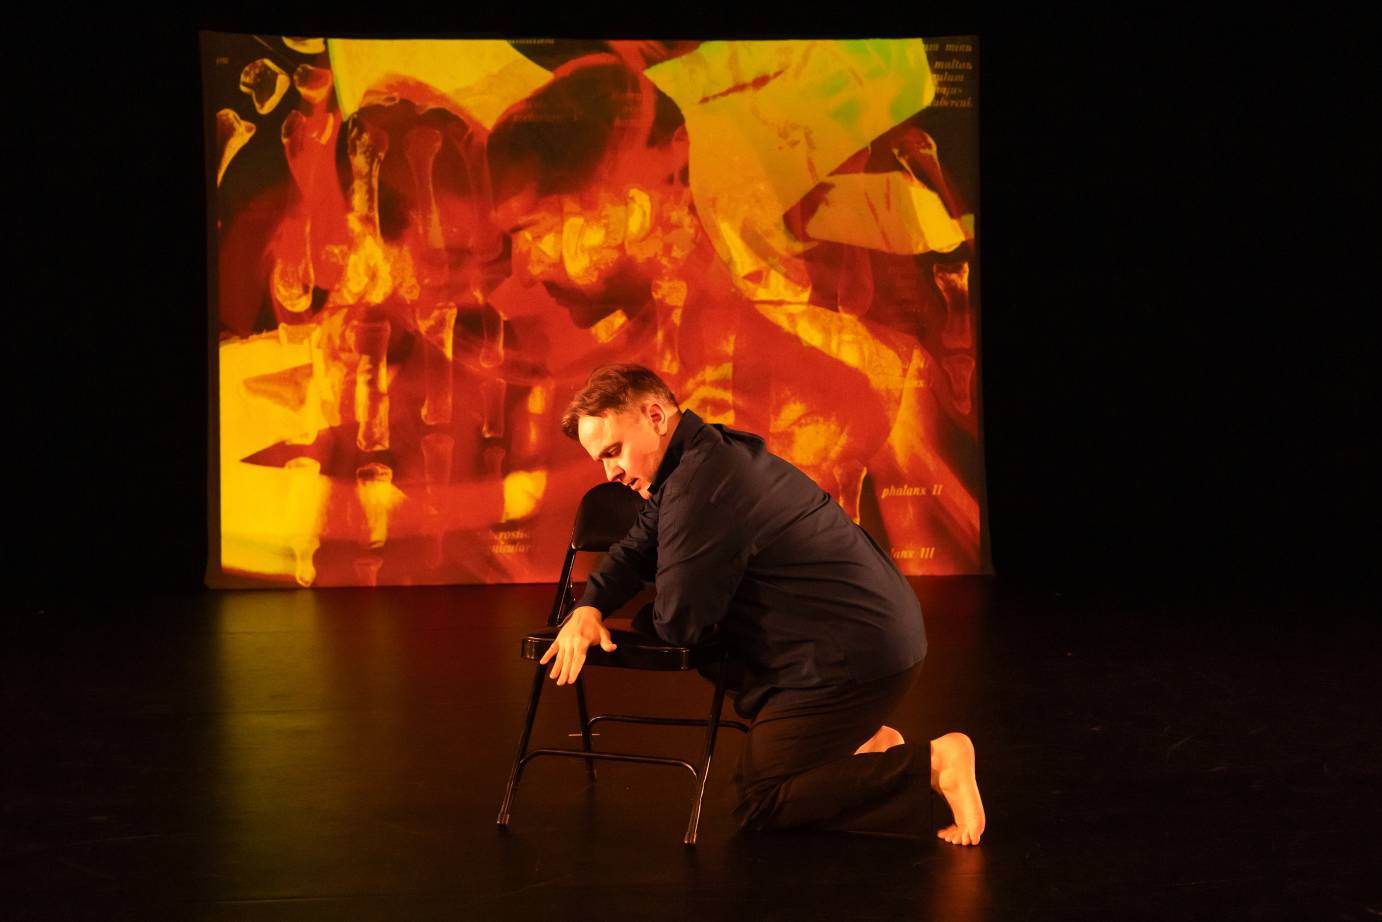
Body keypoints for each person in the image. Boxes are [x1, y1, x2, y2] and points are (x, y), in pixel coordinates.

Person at [540, 364, 986, 845]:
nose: (611, 473)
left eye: (613, 451)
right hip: (853, 640)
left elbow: (681, 624)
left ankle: (933, 766)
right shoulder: (701, 456)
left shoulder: (702, 486)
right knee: (723, 639)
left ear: (654, 416)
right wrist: (589, 608)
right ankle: (865, 747)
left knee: (760, 800)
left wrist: (641, 614)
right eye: (599, 460)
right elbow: (635, 546)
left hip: (852, 656)